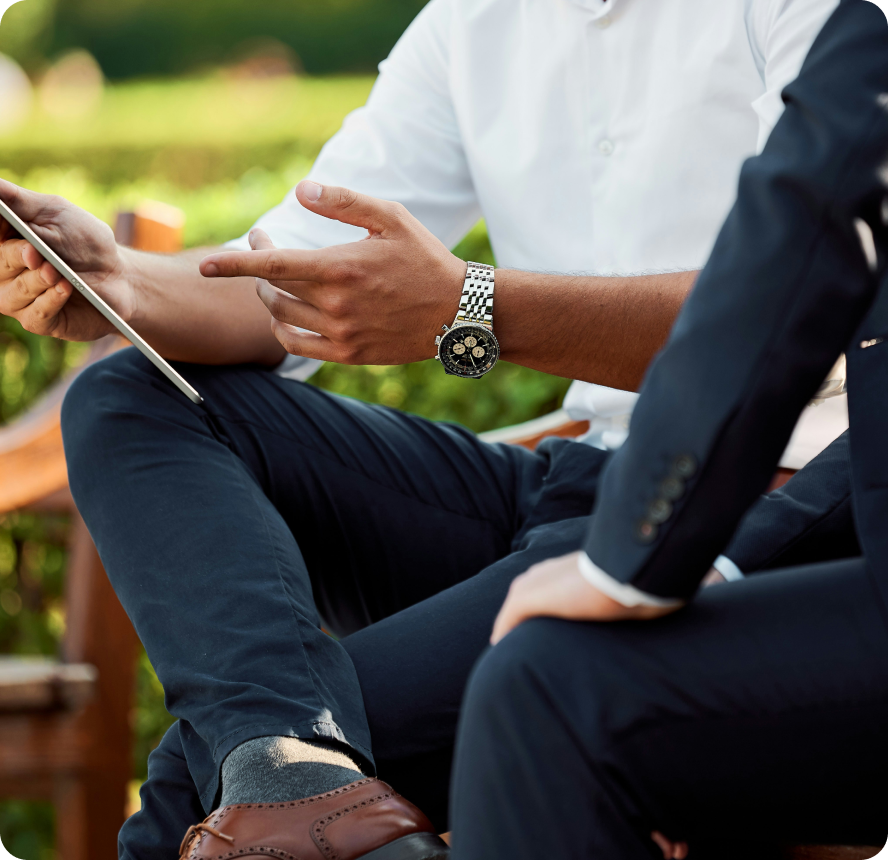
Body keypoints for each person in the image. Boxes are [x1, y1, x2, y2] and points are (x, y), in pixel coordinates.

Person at [0, 0, 847, 856]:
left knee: (192, 797)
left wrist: (469, 308)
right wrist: (118, 279)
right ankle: (294, 770)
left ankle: (288, 777)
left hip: (756, 500)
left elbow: (800, 314)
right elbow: (290, 277)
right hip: (571, 483)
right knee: (125, 396)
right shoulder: (473, 19)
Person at [447, 2, 888, 858]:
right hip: (600, 491)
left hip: (678, 505)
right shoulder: (466, 24)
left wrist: (631, 560)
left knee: (546, 691)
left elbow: (809, 227)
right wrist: (704, 558)